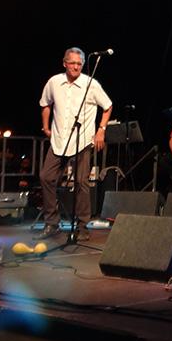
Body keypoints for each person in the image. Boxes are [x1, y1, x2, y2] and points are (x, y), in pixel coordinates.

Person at [36, 47, 112, 241]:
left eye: (79, 64)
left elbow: (108, 105)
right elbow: (45, 104)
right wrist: (46, 127)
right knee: (46, 177)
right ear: (64, 63)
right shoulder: (54, 82)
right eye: (72, 63)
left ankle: (82, 226)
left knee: (81, 183)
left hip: (82, 140)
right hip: (59, 140)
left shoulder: (90, 84)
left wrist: (101, 130)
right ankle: (52, 222)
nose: (76, 67)